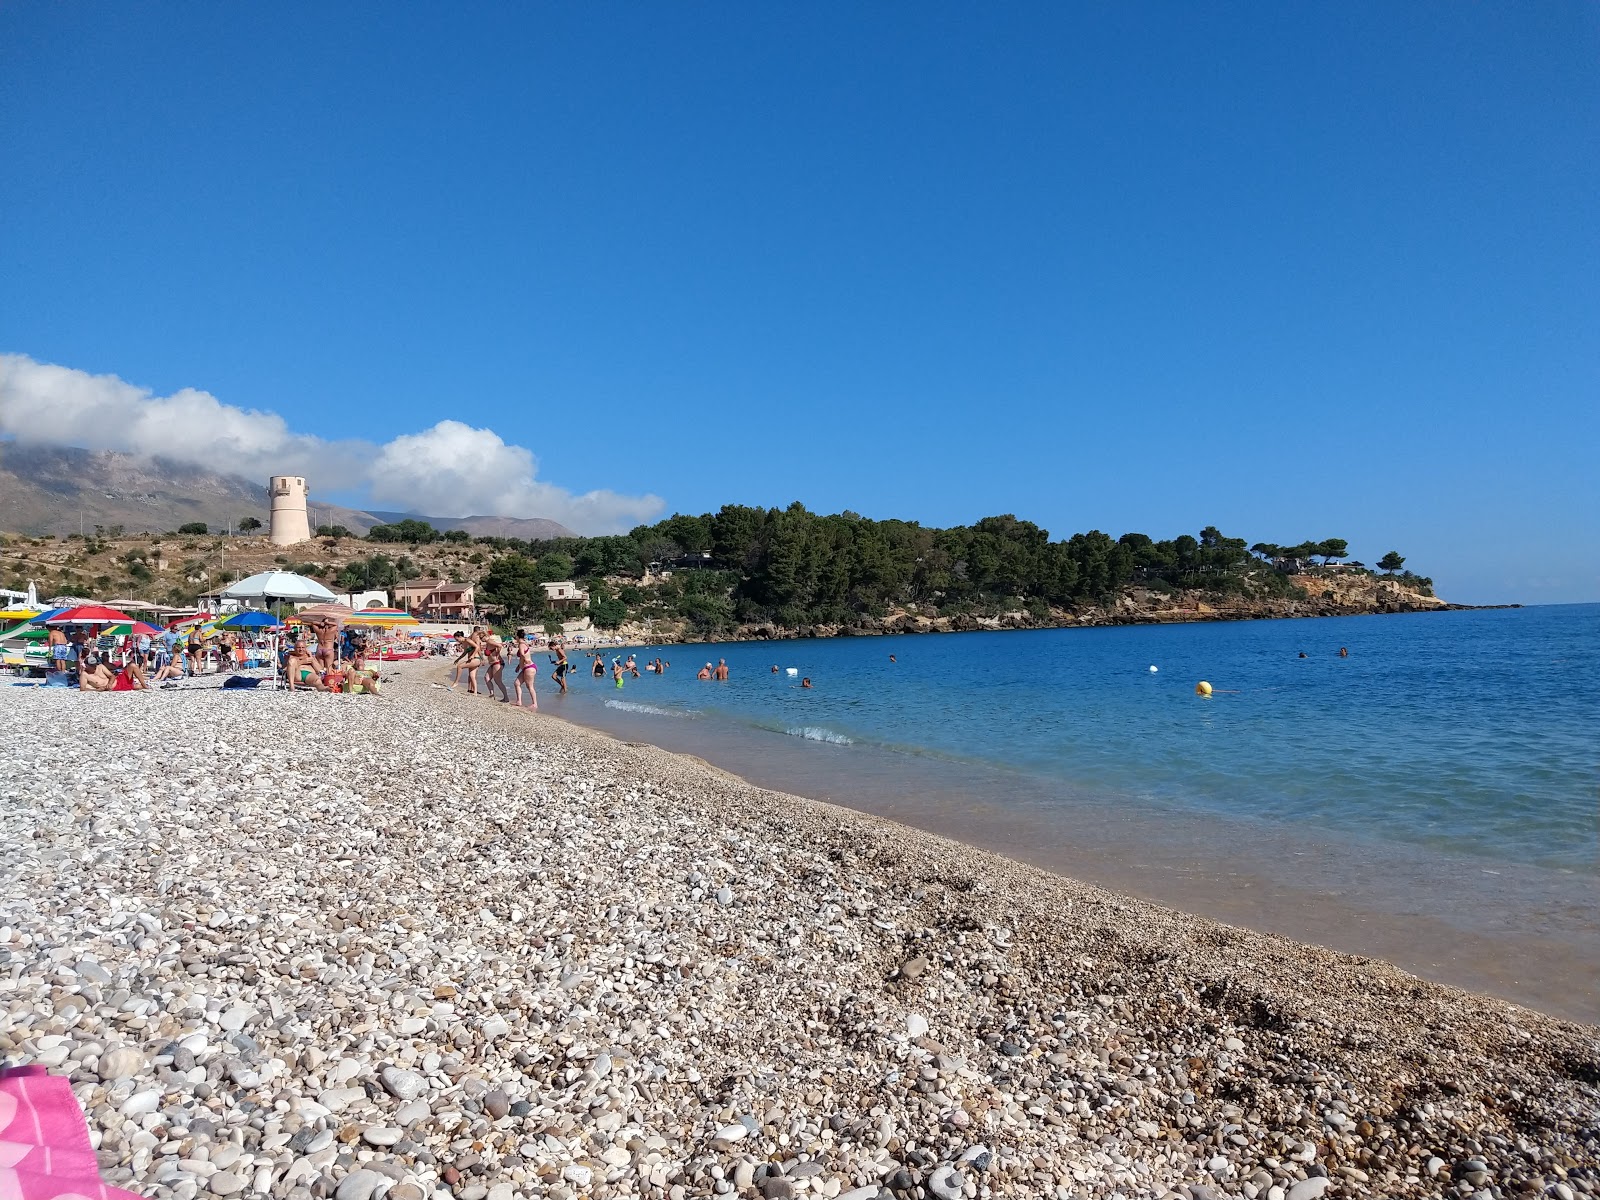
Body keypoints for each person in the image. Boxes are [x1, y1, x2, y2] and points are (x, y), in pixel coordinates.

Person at [513, 637, 538, 709]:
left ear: (518, 637)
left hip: (529, 668)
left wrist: (526, 660)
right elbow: (522, 656)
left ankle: (534, 704)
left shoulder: (521, 645)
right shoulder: (524, 644)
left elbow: (522, 654)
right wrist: (519, 666)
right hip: (525, 668)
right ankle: (519, 701)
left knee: (530, 686)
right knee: (517, 683)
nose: (515, 638)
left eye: (515, 637)